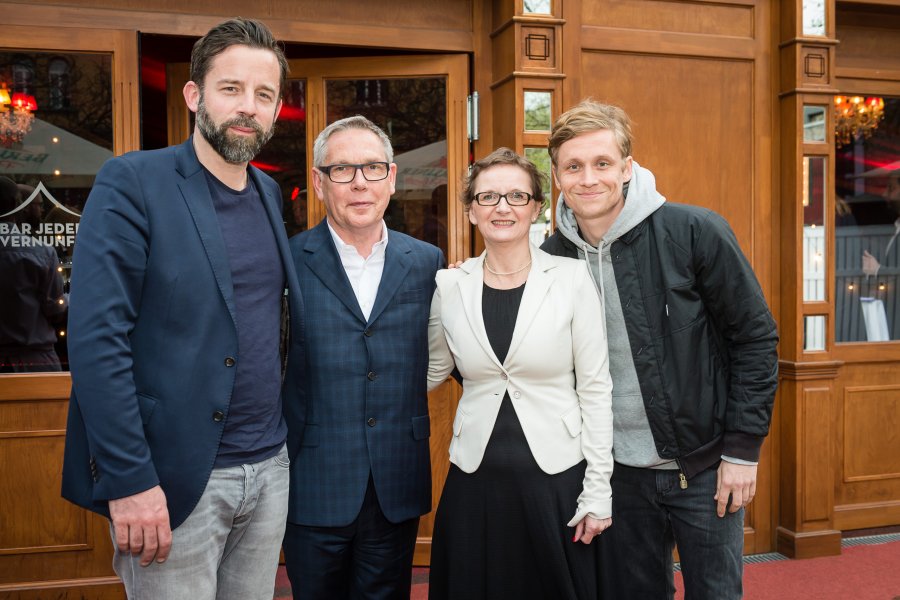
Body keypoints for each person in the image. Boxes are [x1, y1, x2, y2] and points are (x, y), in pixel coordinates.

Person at [60, 18, 303, 599]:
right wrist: (129, 479)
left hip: (269, 470)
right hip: (172, 480)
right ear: (195, 95)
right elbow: (96, 341)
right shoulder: (134, 182)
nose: (247, 106)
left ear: (275, 110)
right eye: (230, 88)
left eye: (263, 94)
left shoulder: (269, 193)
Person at [540, 100, 779, 600]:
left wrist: (742, 451)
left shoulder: (694, 231)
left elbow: (754, 340)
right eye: (573, 167)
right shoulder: (550, 260)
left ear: (627, 168)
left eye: (602, 163)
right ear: (557, 176)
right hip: (613, 474)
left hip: (704, 465)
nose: (588, 178)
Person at [427, 147, 614, 600]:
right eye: (488, 197)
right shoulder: (449, 285)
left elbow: (595, 389)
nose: (502, 207)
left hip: (556, 479)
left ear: (536, 207)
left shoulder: (572, 279)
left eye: (516, 196)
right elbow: (432, 370)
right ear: (471, 211)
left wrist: (598, 491)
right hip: (475, 481)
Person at [281, 115, 444, 600]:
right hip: (314, 479)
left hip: (396, 477)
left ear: (391, 178)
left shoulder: (427, 262)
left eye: (372, 168)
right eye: (342, 170)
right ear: (319, 182)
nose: (359, 183)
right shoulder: (285, 261)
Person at [0, 176, 66, 372]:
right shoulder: (41, 252)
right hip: (34, 362)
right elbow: (55, 310)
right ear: (17, 205)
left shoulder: (40, 252)